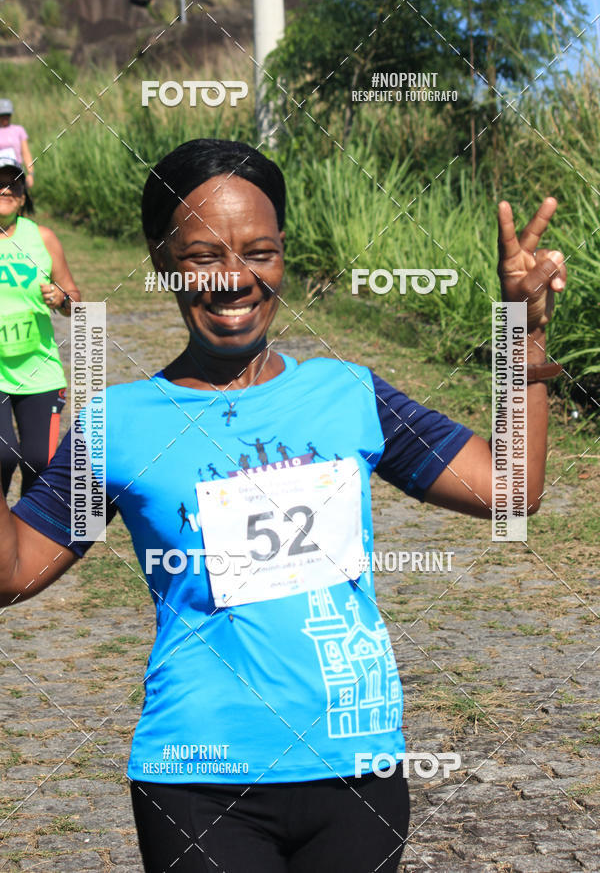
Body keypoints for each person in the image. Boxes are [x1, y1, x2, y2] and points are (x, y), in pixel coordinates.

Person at [0, 139, 567, 872]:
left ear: (283, 256)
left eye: (259, 252)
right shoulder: (121, 424)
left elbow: (512, 487)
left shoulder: (348, 393)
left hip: (357, 769)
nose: (235, 278)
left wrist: (525, 331)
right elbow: (13, 570)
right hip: (197, 777)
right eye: (203, 256)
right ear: (164, 259)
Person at [0, 154, 80, 496]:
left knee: (40, 460)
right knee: (2, 455)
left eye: (14, 183)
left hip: (39, 371)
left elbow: (74, 299)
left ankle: (28, 534)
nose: (7, 189)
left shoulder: (43, 238)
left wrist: (61, 299)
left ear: (23, 194)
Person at [0, 99, 34, 190]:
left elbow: (26, 153)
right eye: (2, 115)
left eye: (8, 115)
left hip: (16, 172)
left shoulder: (18, 130)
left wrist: (30, 174)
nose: (5, 118)